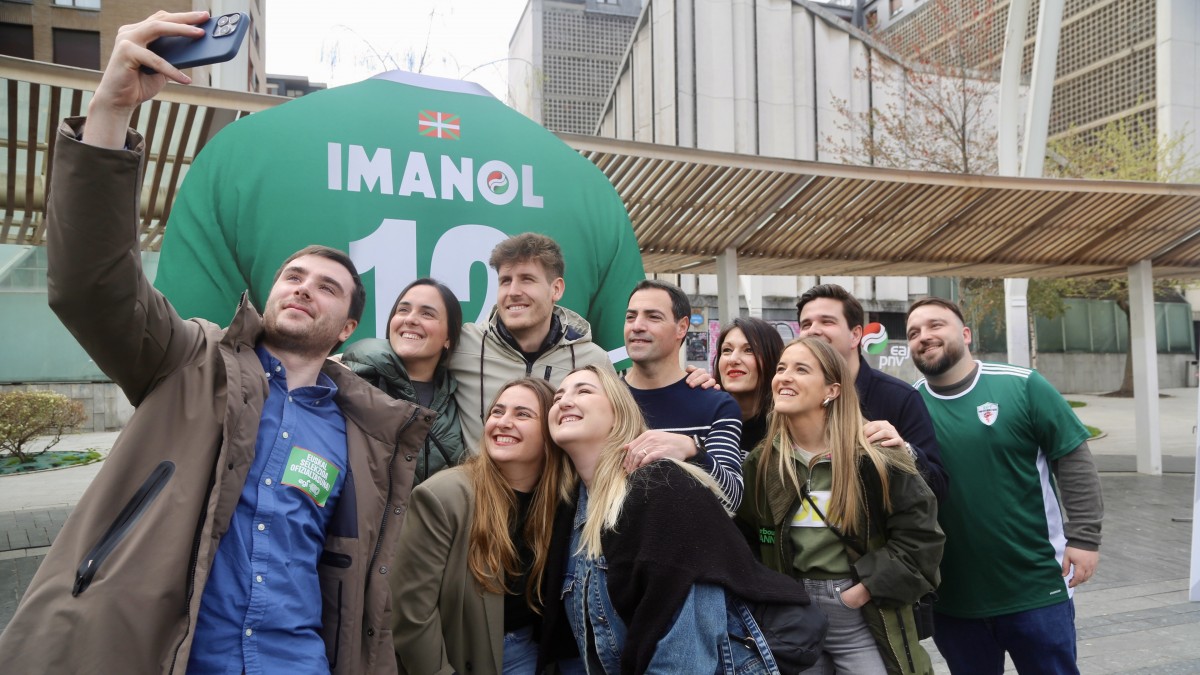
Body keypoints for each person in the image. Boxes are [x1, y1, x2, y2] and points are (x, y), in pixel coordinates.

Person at [0, 11, 432, 674]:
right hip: (167, 652)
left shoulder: (368, 433)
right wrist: (110, 113)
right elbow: (93, 282)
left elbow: (364, 583)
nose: (303, 288)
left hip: (296, 660)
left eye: (327, 286)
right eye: (293, 275)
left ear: (348, 328)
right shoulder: (190, 360)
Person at [545, 366, 811, 674]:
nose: (564, 401)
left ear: (619, 411)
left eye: (584, 391)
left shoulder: (664, 489)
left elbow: (685, 659)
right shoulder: (575, 507)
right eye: (558, 396)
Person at [906, 298, 1103, 675]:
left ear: (965, 334)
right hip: (952, 598)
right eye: (914, 332)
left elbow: (1073, 459)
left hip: (1035, 587)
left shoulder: (1023, 385)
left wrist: (1085, 538)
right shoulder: (909, 403)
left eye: (935, 326)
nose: (924, 337)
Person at [738, 337, 944, 675]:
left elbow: (922, 537)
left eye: (801, 369)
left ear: (831, 391)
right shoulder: (763, 461)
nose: (784, 377)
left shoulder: (876, 455)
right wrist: (773, 594)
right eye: (780, 368)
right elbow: (745, 537)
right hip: (794, 613)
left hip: (858, 610)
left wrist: (862, 591)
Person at [391, 378, 570, 675]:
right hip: (464, 657)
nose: (503, 422)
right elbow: (411, 615)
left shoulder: (563, 499)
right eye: (497, 412)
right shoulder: (442, 496)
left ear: (551, 432)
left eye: (522, 414)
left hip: (534, 650)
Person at [450, 233, 614, 453]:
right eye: (505, 281)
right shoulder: (463, 345)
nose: (513, 292)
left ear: (556, 289)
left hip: (563, 488)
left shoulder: (594, 360)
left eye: (527, 279)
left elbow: (618, 432)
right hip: (480, 486)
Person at [797, 284, 949, 504]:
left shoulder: (900, 398)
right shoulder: (791, 399)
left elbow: (938, 488)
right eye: (806, 324)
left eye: (827, 321)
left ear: (855, 335)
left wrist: (904, 452)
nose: (813, 330)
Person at [622, 279, 746, 508]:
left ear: (682, 327)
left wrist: (692, 450)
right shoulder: (603, 399)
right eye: (631, 317)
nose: (637, 325)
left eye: (653, 317)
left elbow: (731, 500)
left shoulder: (716, 405)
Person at [342, 278, 466, 485]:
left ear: (448, 338)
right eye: (403, 310)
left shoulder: (459, 399)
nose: (411, 319)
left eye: (427, 313)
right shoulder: (352, 380)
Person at [714, 317, 784, 454]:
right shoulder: (705, 418)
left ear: (772, 359)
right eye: (727, 350)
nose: (733, 359)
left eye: (749, 350)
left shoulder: (787, 428)